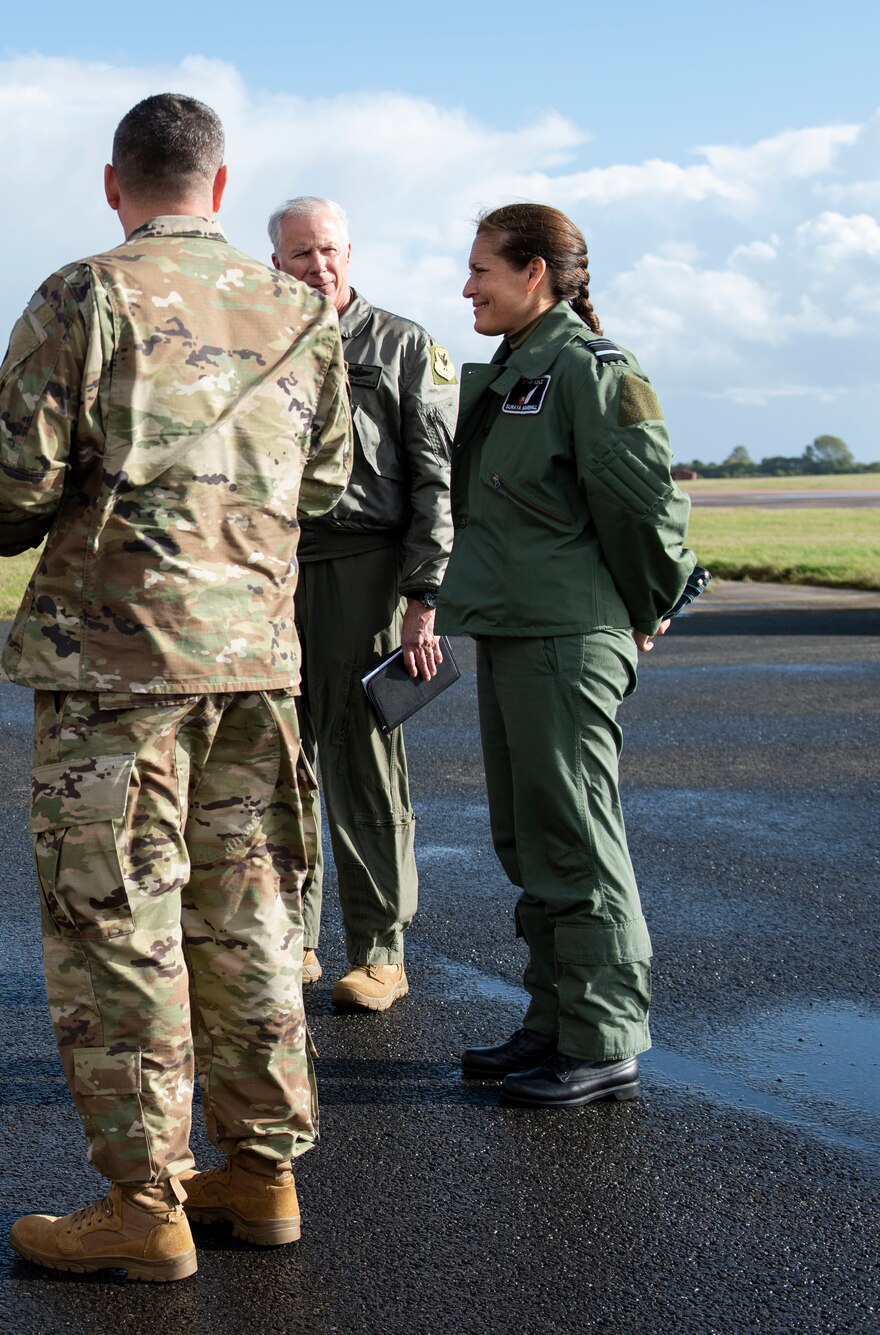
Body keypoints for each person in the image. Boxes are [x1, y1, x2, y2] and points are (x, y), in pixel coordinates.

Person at [0, 94, 351, 1279]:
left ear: (112, 184)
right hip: (257, 669)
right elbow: (328, 483)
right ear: (221, 190)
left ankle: (144, 1201)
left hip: (118, 670)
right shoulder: (299, 308)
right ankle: (261, 1169)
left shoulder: (85, 293)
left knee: (118, 924)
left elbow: (6, 490)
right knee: (249, 915)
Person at [443, 203, 700, 1108]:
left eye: (481, 269)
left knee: (577, 835)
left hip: (565, 633)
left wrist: (651, 600)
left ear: (535, 274)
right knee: (528, 833)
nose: (466, 285)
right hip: (517, 625)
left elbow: (646, 505)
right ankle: (553, 1018)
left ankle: (602, 1037)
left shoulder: (592, 371)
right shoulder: (520, 368)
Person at [267, 196, 456, 1011]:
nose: (321, 265)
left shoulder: (403, 344)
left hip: (371, 567)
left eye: (332, 249)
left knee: (366, 757)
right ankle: (297, 939)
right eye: (303, 254)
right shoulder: (261, 343)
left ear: (352, 253)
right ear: (276, 262)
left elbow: (434, 479)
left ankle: (381, 950)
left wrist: (423, 597)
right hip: (280, 571)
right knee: (284, 758)